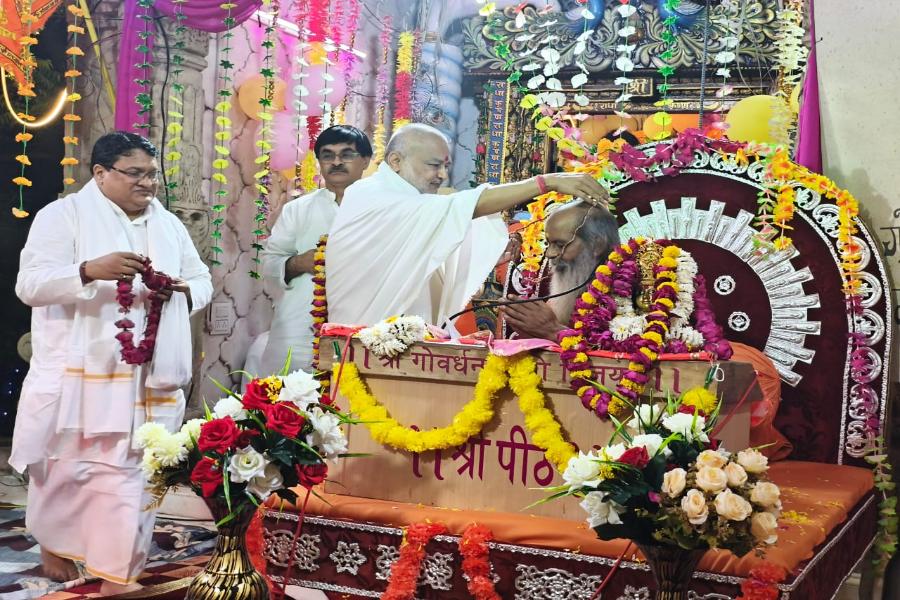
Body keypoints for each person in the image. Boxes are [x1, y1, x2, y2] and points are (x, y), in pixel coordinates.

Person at [10, 132, 212, 595]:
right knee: (66, 469)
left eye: (152, 174)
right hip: (80, 379)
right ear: (100, 173)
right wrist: (87, 271)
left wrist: (183, 290)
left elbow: (202, 278)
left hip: (147, 380)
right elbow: (30, 285)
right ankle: (56, 543)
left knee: (135, 475)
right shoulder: (62, 216)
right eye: (134, 173)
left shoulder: (169, 225)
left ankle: (119, 571)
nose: (148, 183)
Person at [325, 123, 609, 328]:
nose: (442, 175)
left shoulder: (406, 203)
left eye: (445, 166)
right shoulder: (371, 195)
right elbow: (464, 206)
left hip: (397, 343)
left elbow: (420, 253)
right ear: (396, 161)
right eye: (434, 165)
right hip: (361, 344)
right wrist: (546, 182)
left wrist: (486, 252)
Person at [259, 125, 372, 374]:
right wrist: (300, 262)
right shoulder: (298, 209)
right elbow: (269, 264)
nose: (336, 162)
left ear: (365, 160)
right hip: (299, 331)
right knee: (283, 394)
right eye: (328, 155)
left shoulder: (382, 210)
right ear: (319, 161)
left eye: (347, 154)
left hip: (362, 330)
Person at [500, 200, 619, 339]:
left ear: (597, 245)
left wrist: (553, 331)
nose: (549, 254)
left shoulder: (629, 291)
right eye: (548, 243)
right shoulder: (566, 290)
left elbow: (621, 349)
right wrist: (530, 330)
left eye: (560, 245)